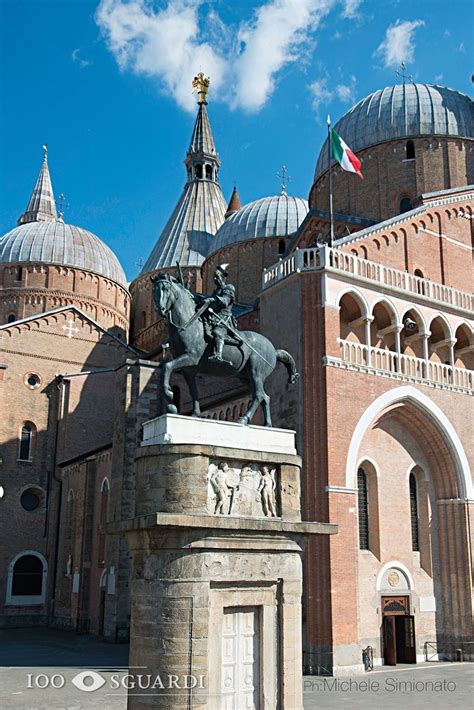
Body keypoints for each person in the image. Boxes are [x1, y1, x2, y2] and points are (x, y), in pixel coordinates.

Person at [198, 264, 238, 363]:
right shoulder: (216, 291)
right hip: (213, 317)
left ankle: (218, 355)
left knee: (217, 332)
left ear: (223, 278)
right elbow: (210, 301)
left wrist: (211, 299)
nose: (215, 279)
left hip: (223, 319)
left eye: (217, 277)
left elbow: (225, 301)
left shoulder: (229, 288)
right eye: (214, 277)